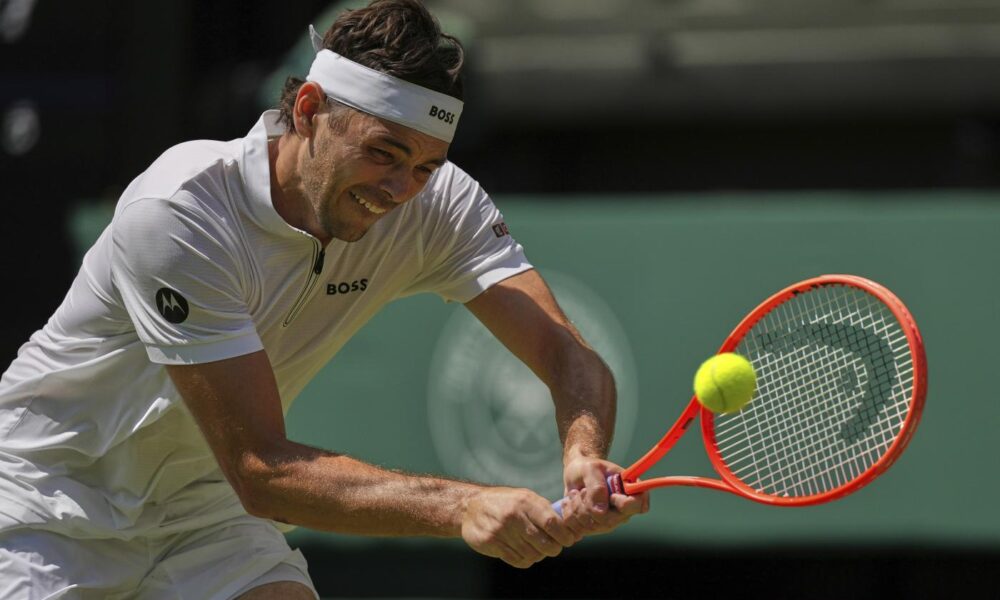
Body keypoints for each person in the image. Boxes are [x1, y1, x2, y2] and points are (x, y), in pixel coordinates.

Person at [0, 1, 647, 597]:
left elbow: (568, 353)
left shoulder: (440, 203)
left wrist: (583, 453)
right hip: (48, 505)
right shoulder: (181, 214)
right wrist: (464, 506)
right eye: (383, 153)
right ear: (309, 110)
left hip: (205, 512)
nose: (401, 190)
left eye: (426, 166)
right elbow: (262, 470)